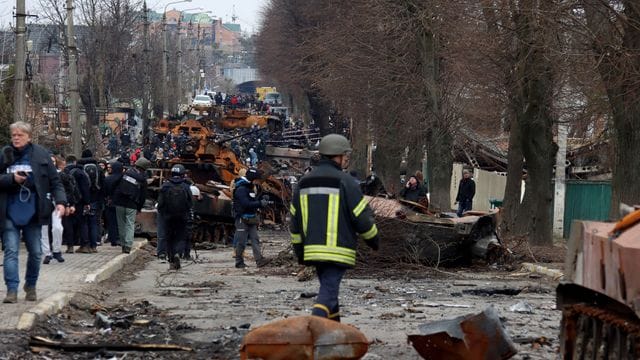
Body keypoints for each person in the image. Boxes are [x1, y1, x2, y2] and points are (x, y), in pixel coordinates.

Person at [289, 134, 379, 322]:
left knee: (330, 292)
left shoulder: (303, 183)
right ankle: (315, 326)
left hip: (312, 250)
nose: (347, 159)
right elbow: (361, 217)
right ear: (336, 156)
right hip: (338, 250)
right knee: (328, 292)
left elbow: (295, 222)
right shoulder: (346, 182)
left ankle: (333, 332)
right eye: (345, 155)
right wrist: (373, 240)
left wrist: (299, 252)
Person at [0, 121, 67, 303]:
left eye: (20, 135)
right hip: (9, 210)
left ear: (29, 137)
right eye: (13, 134)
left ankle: (30, 285)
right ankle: (11, 290)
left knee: (36, 252)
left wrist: (61, 202)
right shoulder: (5, 154)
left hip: (34, 210)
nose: (16, 137)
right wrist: (11, 179)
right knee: (11, 251)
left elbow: (55, 182)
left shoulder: (40, 155)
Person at [232, 168, 269, 269]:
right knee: (241, 241)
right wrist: (260, 203)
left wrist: (261, 200)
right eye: (257, 179)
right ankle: (239, 261)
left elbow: (251, 200)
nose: (258, 181)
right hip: (242, 218)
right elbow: (246, 204)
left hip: (250, 217)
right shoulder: (241, 189)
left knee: (255, 239)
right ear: (253, 178)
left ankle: (259, 260)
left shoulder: (249, 187)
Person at [157, 164, 192, 270]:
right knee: (180, 237)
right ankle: (178, 253)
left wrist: (162, 213)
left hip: (167, 216)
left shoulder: (165, 185)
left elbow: (160, 202)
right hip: (182, 216)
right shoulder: (186, 186)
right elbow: (190, 202)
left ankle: (171, 257)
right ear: (183, 174)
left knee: (169, 237)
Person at [113, 157, 150, 254]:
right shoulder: (143, 180)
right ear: (144, 168)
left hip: (120, 203)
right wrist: (139, 208)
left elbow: (116, 186)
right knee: (130, 225)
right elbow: (143, 196)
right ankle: (128, 246)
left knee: (121, 225)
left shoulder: (125, 174)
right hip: (132, 204)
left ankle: (123, 244)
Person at [40, 155, 66, 264]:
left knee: (57, 228)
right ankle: (47, 253)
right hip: (42, 203)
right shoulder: (38, 175)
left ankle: (57, 250)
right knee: (43, 229)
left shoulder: (59, 174)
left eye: (53, 161)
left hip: (56, 203)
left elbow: (64, 189)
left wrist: (66, 203)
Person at [103, 160, 123, 247]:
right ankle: (120, 238)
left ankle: (113, 239)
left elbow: (104, 191)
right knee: (121, 222)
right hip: (122, 203)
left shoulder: (108, 179)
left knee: (111, 222)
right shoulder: (124, 178)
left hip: (110, 203)